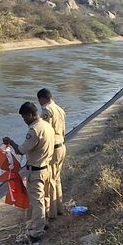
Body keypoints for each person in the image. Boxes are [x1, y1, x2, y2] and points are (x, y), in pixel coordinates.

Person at [3, 102, 56, 243]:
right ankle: (43, 223)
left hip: (36, 171)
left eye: (24, 117)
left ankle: (37, 232)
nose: (24, 120)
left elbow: (21, 149)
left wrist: (11, 142)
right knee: (44, 198)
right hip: (46, 168)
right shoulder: (47, 126)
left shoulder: (34, 130)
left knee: (37, 201)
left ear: (31, 115)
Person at [37, 88, 67, 219]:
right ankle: (59, 207)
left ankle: (52, 213)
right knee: (57, 178)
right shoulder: (60, 109)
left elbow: (46, 132)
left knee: (50, 181)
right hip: (61, 145)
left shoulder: (46, 111)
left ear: (42, 98)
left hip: (53, 148)